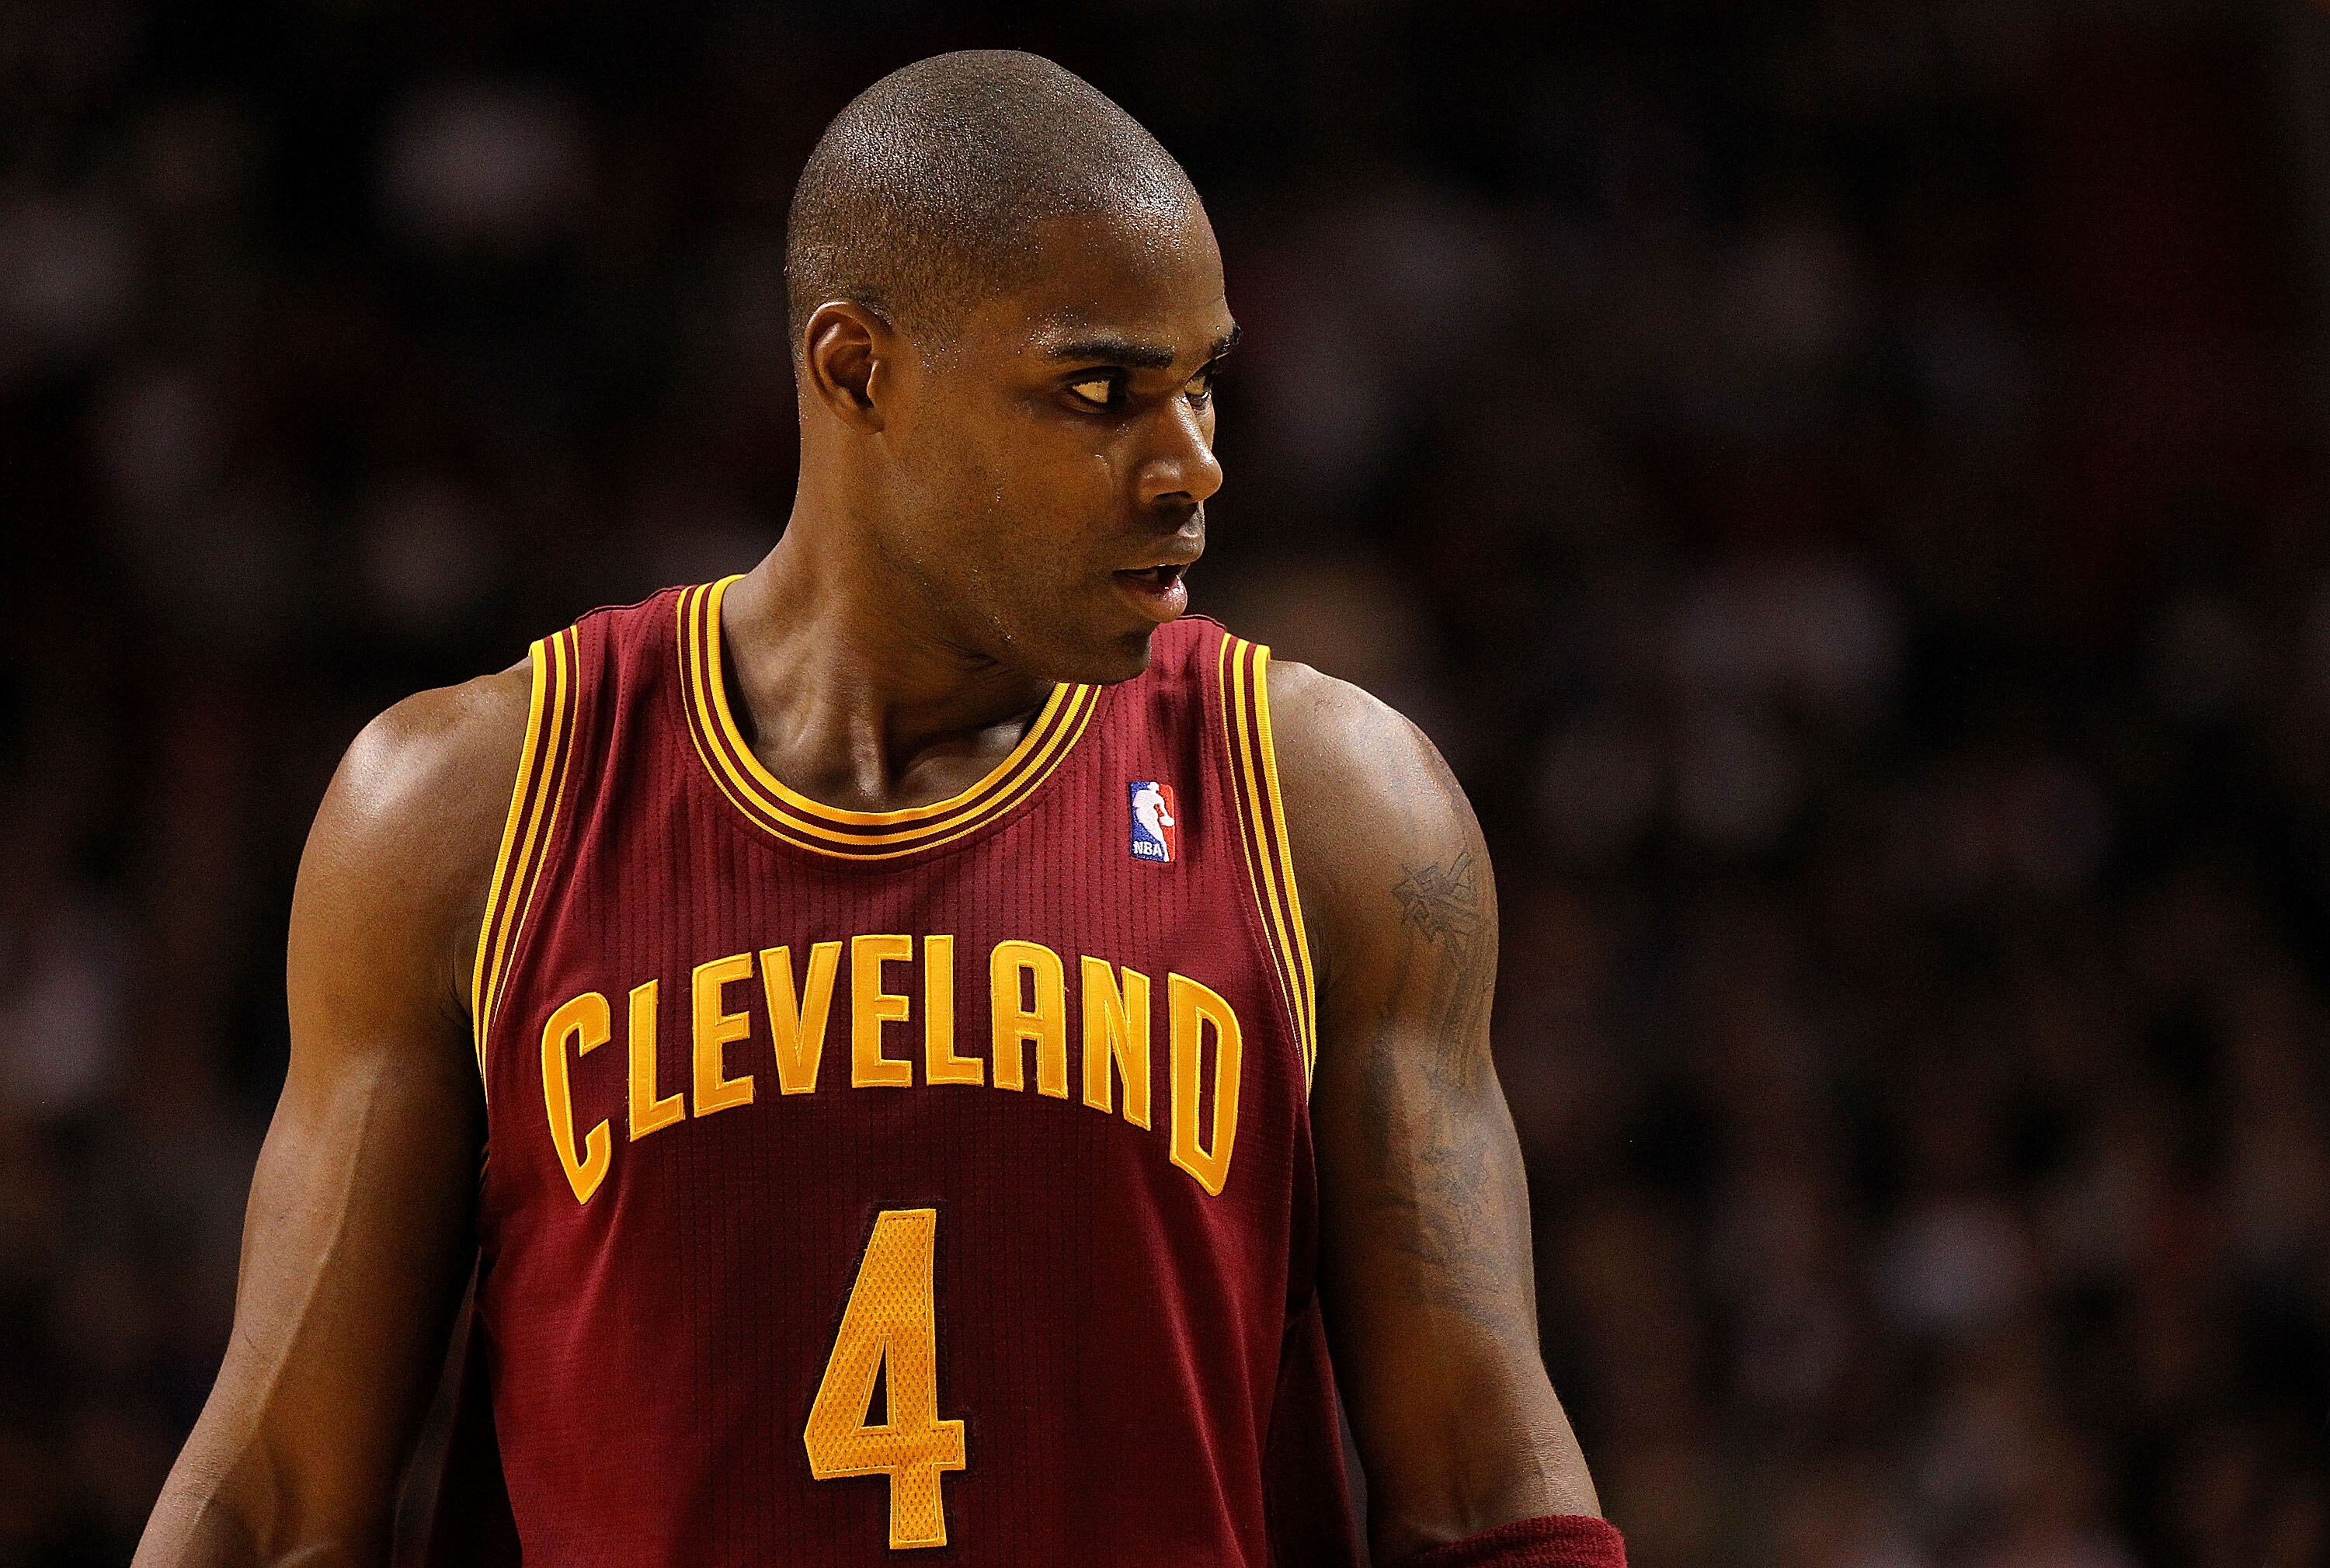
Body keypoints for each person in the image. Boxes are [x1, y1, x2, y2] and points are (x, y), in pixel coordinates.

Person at [133, 50, 1618, 1568]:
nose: (1191, 466)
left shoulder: (1334, 804)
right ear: (857, 370)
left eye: (1202, 382)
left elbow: (1487, 1488)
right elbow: (276, 1507)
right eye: (1101, 389)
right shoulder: (467, 808)